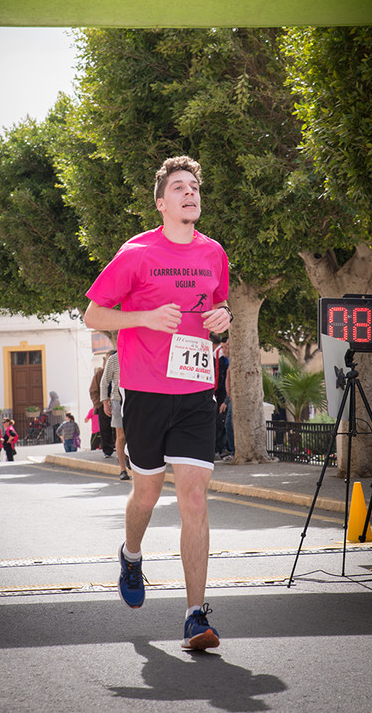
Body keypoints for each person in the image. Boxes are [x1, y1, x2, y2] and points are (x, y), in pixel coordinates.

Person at [84, 155, 232, 652]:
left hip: (195, 392)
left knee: (194, 499)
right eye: (178, 187)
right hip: (146, 393)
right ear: (161, 203)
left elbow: (218, 306)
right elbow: (93, 314)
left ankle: (195, 616)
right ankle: (131, 555)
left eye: (194, 186)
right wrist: (144, 318)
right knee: (146, 495)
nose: (190, 193)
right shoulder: (136, 253)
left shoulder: (213, 253)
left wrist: (224, 318)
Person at [101, 350, 130, 481]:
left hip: (134, 400)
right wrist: (105, 403)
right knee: (121, 435)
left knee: (135, 434)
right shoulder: (113, 359)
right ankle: (123, 469)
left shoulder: (137, 354)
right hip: (117, 400)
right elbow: (104, 382)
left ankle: (131, 458)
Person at [91, 357, 114, 457]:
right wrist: (100, 405)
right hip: (103, 406)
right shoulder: (100, 374)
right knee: (105, 429)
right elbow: (93, 391)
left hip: (117, 404)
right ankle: (107, 450)